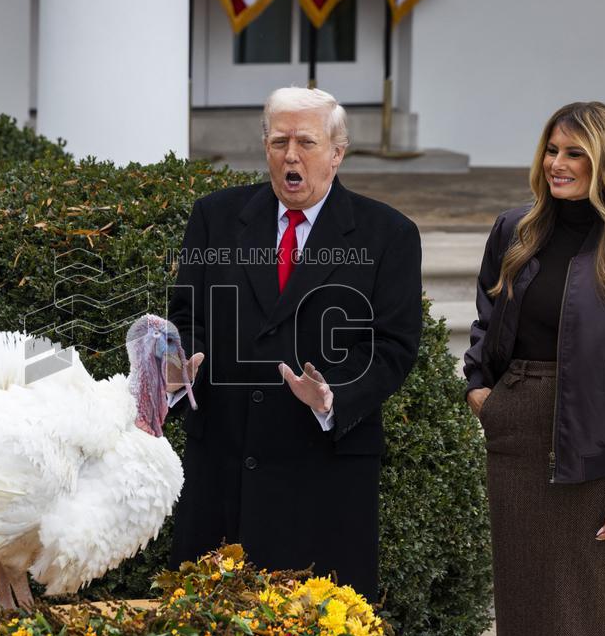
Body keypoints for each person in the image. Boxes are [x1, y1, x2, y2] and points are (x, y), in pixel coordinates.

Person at [166, 87, 422, 600]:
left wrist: (333, 395)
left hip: (322, 475)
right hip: (225, 466)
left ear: (337, 152)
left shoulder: (387, 234)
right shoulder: (215, 217)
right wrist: (180, 365)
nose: (291, 156)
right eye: (279, 141)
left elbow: (393, 345)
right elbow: (187, 315)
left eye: (306, 142)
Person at [463, 101, 605, 636]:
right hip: (516, 434)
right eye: (551, 149)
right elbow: (487, 319)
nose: (556, 163)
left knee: (581, 614)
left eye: (574, 153)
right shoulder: (515, 230)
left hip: (592, 447)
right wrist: (479, 390)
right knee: (521, 605)